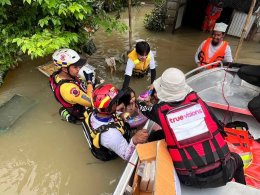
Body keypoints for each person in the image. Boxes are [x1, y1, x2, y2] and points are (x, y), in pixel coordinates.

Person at [137, 68, 246, 188]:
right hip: (225, 172)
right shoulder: (198, 101)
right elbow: (217, 125)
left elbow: (141, 104)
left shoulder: (160, 112)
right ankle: (243, 188)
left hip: (188, 179)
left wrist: (146, 95)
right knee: (238, 160)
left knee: (156, 135)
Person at [82, 84, 149, 161]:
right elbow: (127, 157)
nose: (117, 102)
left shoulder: (94, 111)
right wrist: (134, 141)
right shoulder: (112, 136)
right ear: (107, 109)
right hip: (113, 148)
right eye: (115, 102)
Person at [50, 48, 93, 123]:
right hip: (79, 110)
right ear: (65, 69)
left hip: (69, 100)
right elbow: (91, 102)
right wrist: (89, 82)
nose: (78, 69)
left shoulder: (56, 76)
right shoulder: (70, 90)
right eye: (75, 67)